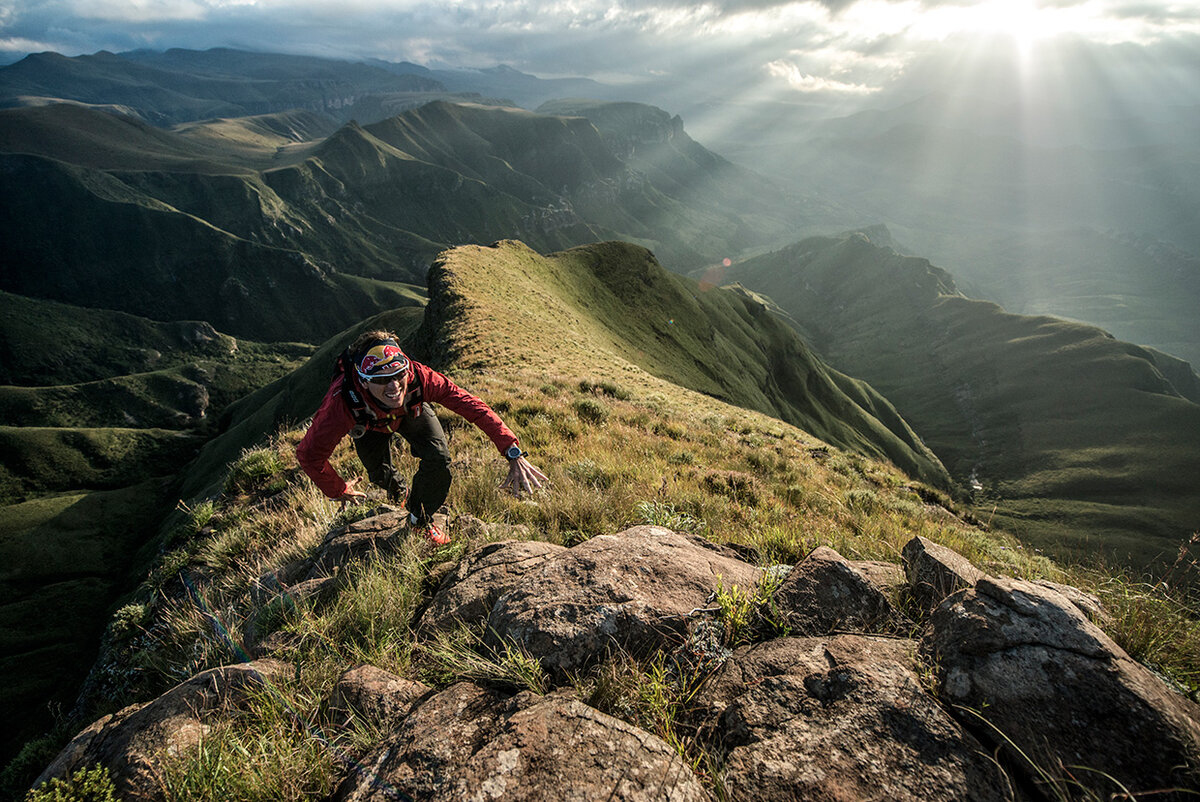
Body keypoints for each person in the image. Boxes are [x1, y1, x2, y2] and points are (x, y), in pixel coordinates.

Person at [296, 330, 547, 544]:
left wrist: (511, 449)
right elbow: (309, 455)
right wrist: (338, 489)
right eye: (382, 380)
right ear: (363, 382)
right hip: (368, 425)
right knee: (379, 473)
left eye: (398, 375)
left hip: (410, 412)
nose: (394, 386)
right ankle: (400, 493)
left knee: (438, 459)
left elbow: (472, 407)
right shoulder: (341, 403)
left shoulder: (420, 377)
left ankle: (419, 520)